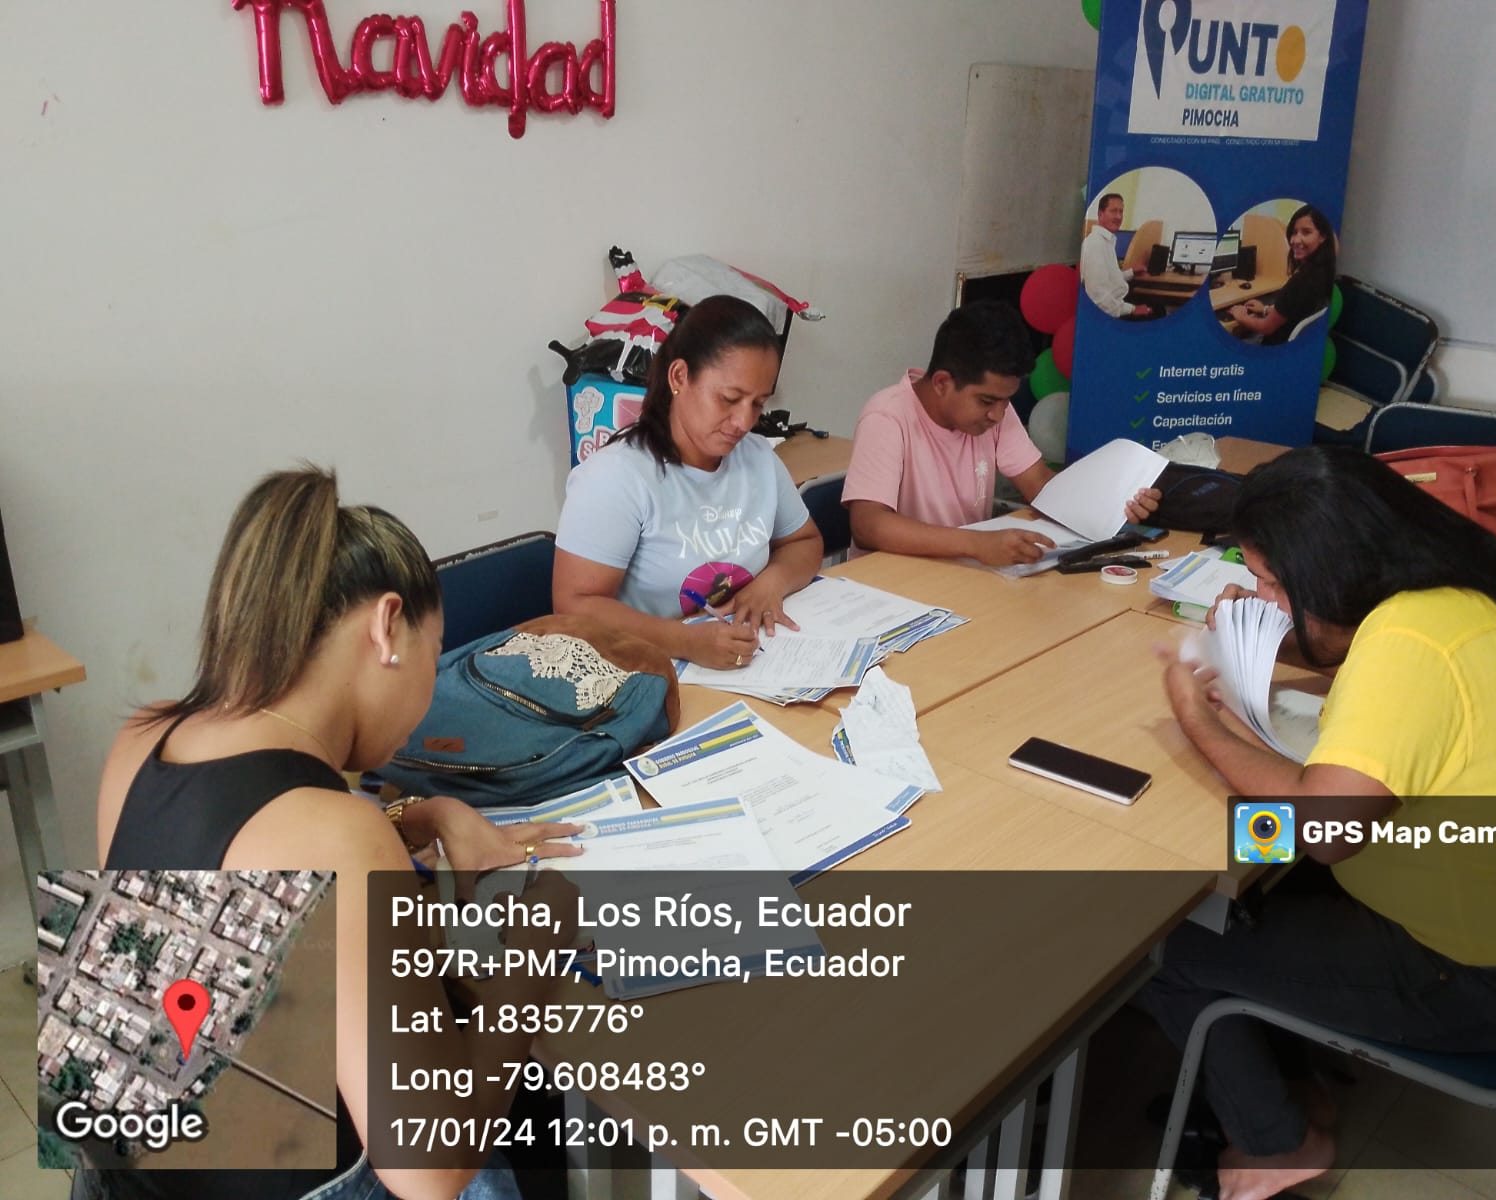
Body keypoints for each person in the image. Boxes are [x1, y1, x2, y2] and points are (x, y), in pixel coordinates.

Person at [84, 467, 582, 1200]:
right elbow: (430, 1169)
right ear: (387, 627)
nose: (426, 698)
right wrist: (538, 942)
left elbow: (235, 908)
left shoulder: (142, 738)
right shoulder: (339, 836)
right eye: (433, 651)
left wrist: (419, 817)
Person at [1144, 446, 1496, 1200]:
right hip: (1487, 913)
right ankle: (1303, 1080)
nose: (1260, 595)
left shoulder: (1408, 644)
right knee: (1248, 884)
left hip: (1475, 978)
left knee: (1171, 938)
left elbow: (1324, 833)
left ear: (1328, 570)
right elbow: (1372, 677)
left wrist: (1196, 717)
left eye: (1270, 581)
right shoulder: (1455, 589)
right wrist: (1272, 639)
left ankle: (1281, 1143)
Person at [553, 295, 824, 670]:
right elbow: (574, 606)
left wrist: (771, 583)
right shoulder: (615, 477)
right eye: (729, 399)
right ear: (679, 377)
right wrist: (684, 641)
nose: (744, 422)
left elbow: (804, 542)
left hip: (743, 662)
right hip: (647, 669)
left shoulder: (757, 456)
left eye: (758, 404)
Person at [842, 300, 1159, 566]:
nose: (998, 414)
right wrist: (975, 544)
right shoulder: (887, 418)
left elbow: (1040, 486)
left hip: (962, 574)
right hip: (893, 583)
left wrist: (1112, 502)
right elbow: (869, 525)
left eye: (1006, 400)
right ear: (942, 383)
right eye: (986, 401)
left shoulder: (994, 411)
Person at [1229, 204, 1336, 345]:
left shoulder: (1302, 281)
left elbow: (1266, 328)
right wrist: (1265, 309)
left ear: (1322, 236)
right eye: (1294, 232)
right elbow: (1292, 310)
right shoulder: (1324, 272)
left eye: (1306, 232)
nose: (1295, 240)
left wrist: (1241, 316)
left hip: (1274, 347)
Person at [1081, 193, 1153, 319]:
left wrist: (1131, 272)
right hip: (1111, 310)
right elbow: (1099, 298)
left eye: (1121, 211)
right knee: (1158, 311)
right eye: (1113, 211)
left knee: (1155, 303)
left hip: (1116, 302)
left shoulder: (1106, 241)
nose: (1119, 216)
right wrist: (1132, 309)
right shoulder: (1095, 244)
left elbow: (1109, 280)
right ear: (1100, 214)